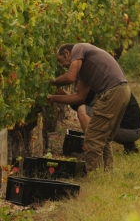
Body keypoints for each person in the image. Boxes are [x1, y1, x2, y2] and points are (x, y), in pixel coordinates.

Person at [48, 43, 131, 172]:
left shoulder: (78, 48)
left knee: (92, 138)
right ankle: (107, 174)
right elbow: (79, 97)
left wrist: (50, 81)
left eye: (61, 60)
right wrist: (53, 98)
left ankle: (95, 176)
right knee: (105, 137)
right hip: (123, 90)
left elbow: (70, 77)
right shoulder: (85, 69)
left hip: (113, 92)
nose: (62, 65)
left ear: (67, 52)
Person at [66, 89, 140, 154]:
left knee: (83, 110)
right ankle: (129, 145)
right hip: (136, 130)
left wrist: (56, 97)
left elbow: (77, 102)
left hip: (127, 131)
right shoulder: (113, 82)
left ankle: (92, 149)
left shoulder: (96, 87)